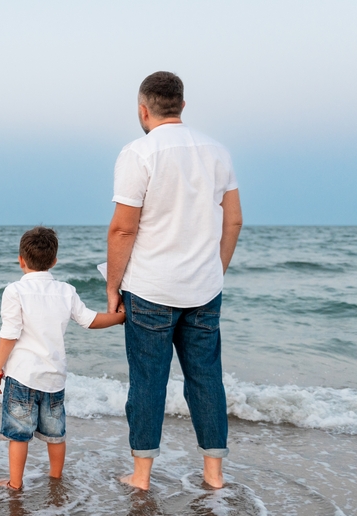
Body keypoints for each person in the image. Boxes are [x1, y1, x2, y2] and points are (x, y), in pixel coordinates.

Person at [106, 71, 243, 490]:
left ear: (143, 110)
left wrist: (113, 287)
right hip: (204, 287)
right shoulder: (217, 152)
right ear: (182, 105)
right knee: (206, 377)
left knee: (148, 380)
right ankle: (214, 474)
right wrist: (214, 270)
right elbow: (233, 220)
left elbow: (123, 230)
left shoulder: (138, 152)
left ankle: (142, 475)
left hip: (150, 287)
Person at [0, 227, 125, 491]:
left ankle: (15, 483)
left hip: (22, 375)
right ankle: (55, 478)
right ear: (54, 261)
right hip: (54, 377)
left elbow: (9, 335)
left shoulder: (15, 291)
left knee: (18, 434)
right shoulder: (66, 291)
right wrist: (121, 317)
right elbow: (90, 320)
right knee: (56, 434)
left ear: (21, 259)